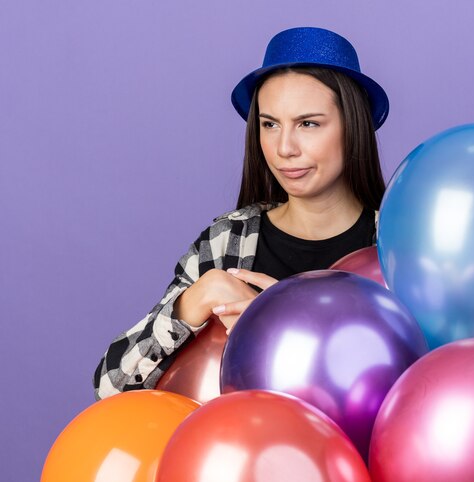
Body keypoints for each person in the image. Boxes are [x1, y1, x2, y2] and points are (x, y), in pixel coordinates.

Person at [93, 26, 390, 400]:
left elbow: (415, 393)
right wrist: (195, 299)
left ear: (353, 126)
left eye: (308, 124)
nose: (284, 147)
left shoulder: (394, 248)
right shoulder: (226, 243)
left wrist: (277, 325)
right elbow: (111, 387)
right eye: (270, 124)